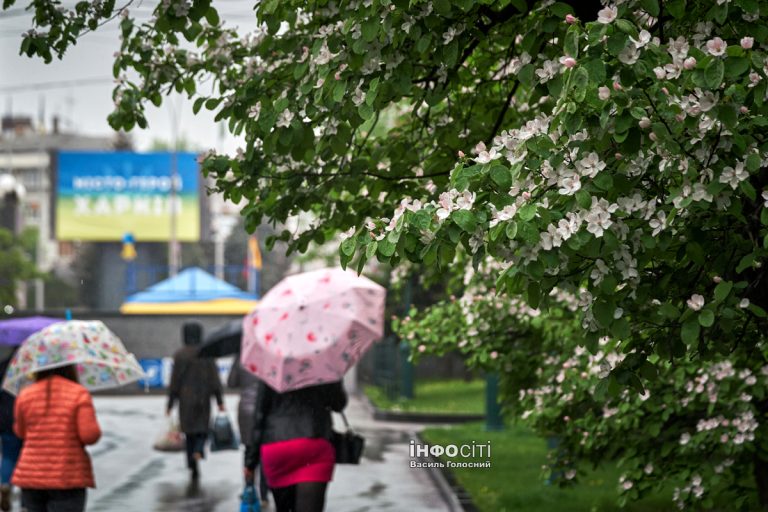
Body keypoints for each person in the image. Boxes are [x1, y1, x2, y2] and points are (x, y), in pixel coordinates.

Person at [245, 380, 347, 512]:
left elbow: (259, 416)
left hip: (278, 446)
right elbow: (338, 404)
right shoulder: (324, 367)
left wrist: (250, 461)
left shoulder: (272, 371)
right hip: (314, 442)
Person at [12, 365, 101, 512]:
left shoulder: (25, 395)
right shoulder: (78, 393)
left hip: (31, 474)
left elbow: (21, 432)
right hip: (67, 474)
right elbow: (89, 435)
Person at [167, 322, 225, 480]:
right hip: (203, 398)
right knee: (203, 429)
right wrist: (220, 401)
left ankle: (192, 465)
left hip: (185, 400)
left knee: (188, 433)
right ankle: (199, 450)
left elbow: (174, 382)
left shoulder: (179, 355)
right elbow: (215, 380)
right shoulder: (207, 354)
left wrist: (170, 404)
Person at [227, 358, 269, 506]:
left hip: (245, 410)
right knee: (265, 450)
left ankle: (249, 487)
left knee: (249, 448)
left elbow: (231, 383)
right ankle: (264, 494)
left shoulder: (242, 358)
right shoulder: (269, 356)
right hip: (266, 408)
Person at [0, 349, 21, 511]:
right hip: (29, 418)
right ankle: (29, 497)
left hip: (6, 418)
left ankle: (5, 483)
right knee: (33, 456)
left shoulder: (3, 367)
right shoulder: (34, 371)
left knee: (8, 455)